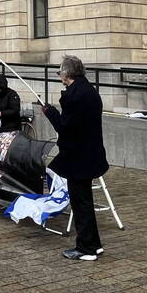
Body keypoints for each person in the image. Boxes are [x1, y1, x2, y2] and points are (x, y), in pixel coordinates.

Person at [41, 55, 110, 261]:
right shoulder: (88, 89)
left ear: (66, 73)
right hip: (89, 154)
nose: (59, 75)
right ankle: (93, 244)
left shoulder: (75, 95)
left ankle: (86, 249)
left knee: (81, 202)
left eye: (60, 71)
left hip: (79, 156)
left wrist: (51, 112)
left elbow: (65, 127)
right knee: (85, 200)